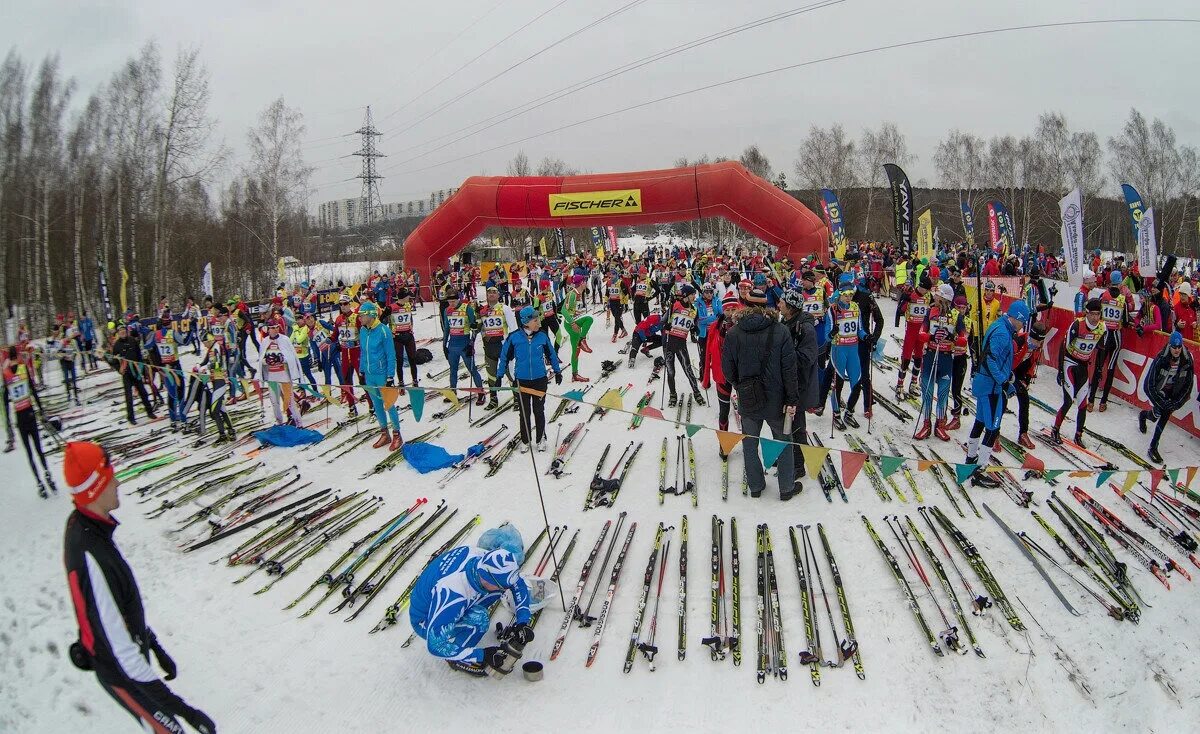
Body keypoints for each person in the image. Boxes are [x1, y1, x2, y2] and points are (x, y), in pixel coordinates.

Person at [62, 441, 217, 733]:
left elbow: (116, 611)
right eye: (111, 478)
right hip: (122, 673)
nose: (118, 482)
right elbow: (121, 652)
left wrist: (152, 644)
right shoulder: (90, 553)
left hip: (126, 659)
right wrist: (185, 711)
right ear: (95, 489)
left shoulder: (91, 528)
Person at [409, 524, 534, 677]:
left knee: (490, 597)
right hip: (425, 619)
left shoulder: (483, 558)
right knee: (480, 619)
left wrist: (523, 621)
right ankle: (458, 659)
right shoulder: (453, 592)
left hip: (448, 601)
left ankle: (464, 645)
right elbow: (435, 645)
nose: (505, 588)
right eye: (502, 586)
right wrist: (483, 655)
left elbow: (517, 584)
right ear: (487, 578)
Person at [721, 305, 799, 500]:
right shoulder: (780, 330)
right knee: (783, 442)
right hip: (777, 400)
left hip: (748, 398)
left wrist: (739, 385)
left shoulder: (733, 333)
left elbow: (727, 369)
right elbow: (790, 369)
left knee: (749, 443)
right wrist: (791, 398)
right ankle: (786, 487)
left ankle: (755, 486)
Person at [963, 300, 1025, 488]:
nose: (1023, 326)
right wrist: (1002, 380)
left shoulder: (999, 326)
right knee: (993, 428)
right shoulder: (1002, 333)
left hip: (986, 383)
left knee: (980, 422)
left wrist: (1009, 377)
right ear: (1017, 318)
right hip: (991, 387)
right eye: (1023, 321)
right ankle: (980, 469)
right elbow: (990, 358)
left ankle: (971, 459)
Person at [497, 306, 563, 452]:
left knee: (539, 411)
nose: (538, 322)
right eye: (535, 320)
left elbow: (551, 354)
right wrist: (499, 375)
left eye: (538, 319)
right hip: (522, 380)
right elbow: (504, 357)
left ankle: (541, 439)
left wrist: (557, 371)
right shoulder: (514, 337)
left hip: (540, 380)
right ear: (526, 322)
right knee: (524, 412)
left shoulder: (542, 336)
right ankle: (526, 440)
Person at [913, 284, 966, 441]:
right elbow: (921, 333)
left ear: (944, 298)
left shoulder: (956, 316)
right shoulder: (930, 312)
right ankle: (926, 425)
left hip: (945, 358)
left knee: (943, 394)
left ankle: (939, 426)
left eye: (938, 295)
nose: (934, 297)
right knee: (927, 393)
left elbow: (964, 339)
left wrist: (951, 337)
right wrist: (931, 337)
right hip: (930, 356)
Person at [1051, 299, 1106, 448]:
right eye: (1093, 314)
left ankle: (1078, 434)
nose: (1095, 318)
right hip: (1070, 363)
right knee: (1068, 401)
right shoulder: (1077, 324)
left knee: (1083, 404)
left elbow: (1100, 348)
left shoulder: (1102, 327)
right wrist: (1060, 371)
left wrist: (1099, 369)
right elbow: (1063, 347)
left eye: (1098, 314)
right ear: (1087, 313)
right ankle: (1055, 430)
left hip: (1083, 366)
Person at [779, 290, 818, 491]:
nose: (778, 303)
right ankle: (787, 457)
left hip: (800, 384)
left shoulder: (805, 328)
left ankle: (798, 464)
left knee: (797, 425)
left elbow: (808, 357)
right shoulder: (786, 322)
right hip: (787, 382)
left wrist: (785, 355)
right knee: (786, 422)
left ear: (791, 306)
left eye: (782, 301)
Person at [5, 345, 56, 497]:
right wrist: (41, 409)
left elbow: (4, 400)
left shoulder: (6, 374)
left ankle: (39, 482)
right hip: (29, 413)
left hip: (19, 416)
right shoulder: (22, 369)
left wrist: (8, 422)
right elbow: (33, 390)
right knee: (38, 448)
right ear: (17, 356)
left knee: (29, 452)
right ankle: (47, 473)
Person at [1138, 331, 1195, 464]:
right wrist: (1159, 400)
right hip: (1159, 391)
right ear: (1169, 346)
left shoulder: (1187, 359)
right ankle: (1144, 415)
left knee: (1164, 414)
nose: (1176, 350)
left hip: (1173, 392)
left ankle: (1153, 446)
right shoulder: (1161, 358)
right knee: (1155, 415)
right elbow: (1148, 384)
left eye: (1179, 347)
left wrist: (1177, 403)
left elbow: (1188, 385)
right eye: (1174, 347)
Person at [356, 301, 404, 450]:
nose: (359, 318)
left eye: (362, 315)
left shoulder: (384, 331)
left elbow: (391, 355)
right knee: (377, 406)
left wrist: (390, 376)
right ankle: (385, 433)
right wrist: (361, 371)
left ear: (371, 315)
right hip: (370, 375)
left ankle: (397, 434)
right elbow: (363, 353)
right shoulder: (363, 331)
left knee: (388, 404)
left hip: (382, 374)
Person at [1089, 271, 1130, 412]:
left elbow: (1096, 314)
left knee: (1098, 368)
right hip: (1116, 338)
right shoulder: (1123, 300)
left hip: (1103, 336)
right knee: (1110, 369)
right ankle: (1103, 402)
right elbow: (1125, 321)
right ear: (1119, 283)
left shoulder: (1103, 296)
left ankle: (1090, 401)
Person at [827, 275, 864, 429]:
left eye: (850, 294)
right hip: (839, 349)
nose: (848, 297)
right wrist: (832, 332)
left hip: (853, 349)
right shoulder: (833, 310)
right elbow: (827, 336)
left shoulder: (856, 307)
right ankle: (836, 414)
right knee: (839, 384)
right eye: (845, 295)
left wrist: (867, 337)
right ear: (840, 294)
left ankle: (849, 412)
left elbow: (860, 329)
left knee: (857, 384)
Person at [442, 290, 487, 405]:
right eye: (449, 301)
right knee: (453, 370)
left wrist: (471, 344)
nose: (451, 304)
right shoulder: (447, 310)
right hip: (452, 345)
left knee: (472, 369)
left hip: (464, 344)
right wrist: (444, 345)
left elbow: (474, 328)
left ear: (458, 299)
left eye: (453, 301)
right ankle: (453, 392)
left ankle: (481, 393)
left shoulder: (467, 308)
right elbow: (447, 328)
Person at [664, 284, 705, 407]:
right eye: (693, 294)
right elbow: (663, 320)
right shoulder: (674, 305)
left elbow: (693, 324)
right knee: (671, 372)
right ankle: (672, 394)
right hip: (669, 343)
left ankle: (697, 393)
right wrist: (666, 325)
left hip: (681, 344)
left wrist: (695, 330)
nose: (694, 297)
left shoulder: (693, 310)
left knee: (688, 370)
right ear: (686, 295)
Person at [258, 320, 303, 426]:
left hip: (284, 376)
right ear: (268, 329)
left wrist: (281, 359)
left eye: (276, 327)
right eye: (272, 328)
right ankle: (279, 424)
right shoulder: (265, 341)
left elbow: (292, 357)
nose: (275, 330)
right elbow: (261, 360)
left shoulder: (285, 339)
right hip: (272, 377)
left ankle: (299, 424)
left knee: (290, 401)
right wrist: (267, 361)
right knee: (275, 402)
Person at [478, 287, 516, 410]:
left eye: (494, 292)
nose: (491, 294)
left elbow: (514, 329)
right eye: (489, 292)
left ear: (498, 295)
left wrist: (513, 346)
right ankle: (493, 399)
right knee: (491, 375)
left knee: (510, 373)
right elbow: (480, 327)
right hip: (489, 346)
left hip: (503, 345)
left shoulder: (505, 308)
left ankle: (517, 398)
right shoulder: (482, 310)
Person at [894, 274, 931, 399]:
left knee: (919, 358)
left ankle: (913, 383)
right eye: (922, 287)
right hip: (911, 330)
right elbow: (900, 310)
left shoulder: (928, 297)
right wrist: (905, 300)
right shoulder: (911, 294)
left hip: (921, 331)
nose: (923, 290)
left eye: (925, 289)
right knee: (906, 358)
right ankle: (899, 385)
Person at [1012, 322, 1047, 449]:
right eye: (1035, 340)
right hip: (1007, 372)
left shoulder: (1036, 346)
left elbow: (1032, 363)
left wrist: (1026, 379)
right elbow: (1006, 359)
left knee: (1024, 400)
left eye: (1039, 342)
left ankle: (1023, 433)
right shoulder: (1018, 340)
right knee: (1001, 402)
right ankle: (995, 435)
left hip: (1020, 373)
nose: (1037, 344)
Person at [561, 275, 594, 382]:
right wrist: (572, 323)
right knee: (589, 319)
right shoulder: (573, 294)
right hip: (570, 324)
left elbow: (570, 309)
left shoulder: (578, 293)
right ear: (581, 283)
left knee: (576, 350)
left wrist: (575, 312)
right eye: (585, 281)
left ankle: (575, 375)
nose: (586, 283)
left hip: (573, 320)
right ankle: (582, 340)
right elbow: (563, 310)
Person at [334, 294, 363, 417]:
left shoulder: (356, 317)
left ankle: (372, 409)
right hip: (345, 353)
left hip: (356, 351)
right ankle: (352, 407)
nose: (343, 306)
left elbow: (364, 333)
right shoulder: (338, 319)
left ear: (350, 304)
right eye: (340, 304)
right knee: (347, 381)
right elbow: (335, 334)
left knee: (363, 380)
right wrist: (330, 340)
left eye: (345, 304)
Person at [389, 289, 421, 390]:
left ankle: (415, 380)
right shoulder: (391, 307)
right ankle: (401, 382)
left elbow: (410, 318)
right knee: (400, 361)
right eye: (408, 296)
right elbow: (382, 321)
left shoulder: (408, 305)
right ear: (404, 297)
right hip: (397, 337)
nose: (409, 298)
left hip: (408, 335)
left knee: (412, 359)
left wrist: (411, 327)